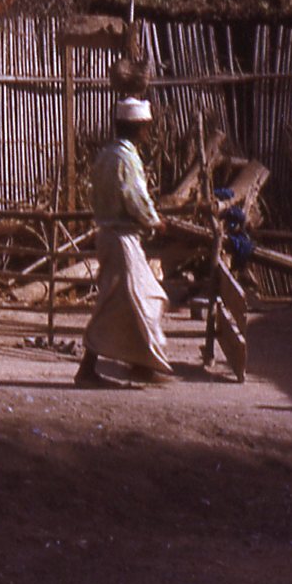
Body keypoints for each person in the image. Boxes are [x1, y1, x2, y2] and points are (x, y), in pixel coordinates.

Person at [77, 97, 175, 386]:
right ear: (139, 127)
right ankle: (88, 370)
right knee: (131, 301)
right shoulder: (126, 159)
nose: (148, 132)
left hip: (109, 235)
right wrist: (154, 221)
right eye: (146, 127)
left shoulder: (106, 155)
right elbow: (134, 197)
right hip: (122, 238)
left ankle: (141, 364)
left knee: (135, 300)